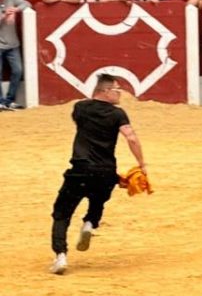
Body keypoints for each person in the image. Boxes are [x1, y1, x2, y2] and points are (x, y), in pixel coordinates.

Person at [49, 73, 146, 275]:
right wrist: (141, 164)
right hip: (105, 172)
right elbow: (131, 138)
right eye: (117, 90)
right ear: (105, 91)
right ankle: (89, 223)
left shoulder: (80, 108)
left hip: (80, 170)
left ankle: (61, 256)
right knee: (98, 200)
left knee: (62, 214)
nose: (120, 94)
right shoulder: (118, 114)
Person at [0, 0, 30, 111]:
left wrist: (15, 10)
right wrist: (5, 15)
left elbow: (27, 3)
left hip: (13, 43)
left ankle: (9, 100)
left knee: (18, 71)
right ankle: (0, 102)